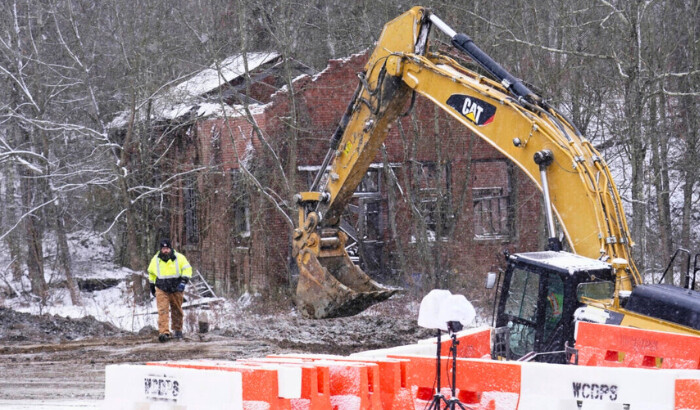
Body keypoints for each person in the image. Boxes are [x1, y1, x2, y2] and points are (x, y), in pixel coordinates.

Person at [147, 239, 192, 342]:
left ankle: (177, 330)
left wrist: (183, 282)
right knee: (162, 310)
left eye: (167, 248)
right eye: (163, 249)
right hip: (161, 288)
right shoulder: (155, 260)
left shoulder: (179, 258)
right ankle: (164, 333)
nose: (165, 251)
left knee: (177, 310)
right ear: (161, 249)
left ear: (170, 248)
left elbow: (187, 269)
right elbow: (151, 273)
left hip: (176, 288)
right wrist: (151, 285)